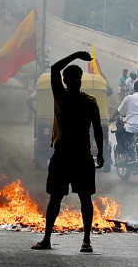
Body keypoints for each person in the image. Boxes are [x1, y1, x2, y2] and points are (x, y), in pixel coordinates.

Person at [32, 51, 104, 253]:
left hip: (75, 155)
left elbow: (97, 128)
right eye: (72, 78)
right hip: (70, 155)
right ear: (65, 80)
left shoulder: (82, 100)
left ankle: (85, 241)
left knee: (81, 198)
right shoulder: (65, 96)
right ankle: (51, 239)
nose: (76, 81)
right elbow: (55, 69)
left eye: (78, 78)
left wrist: (100, 152)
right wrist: (77, 55)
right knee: (59, 198)